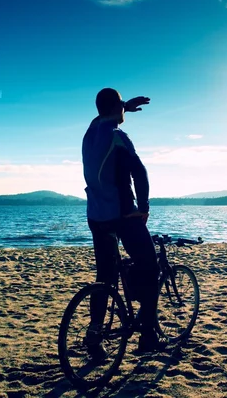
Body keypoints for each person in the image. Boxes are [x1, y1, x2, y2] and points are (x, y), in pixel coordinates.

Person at [82, 87, 165, 356]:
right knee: (150, 266)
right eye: (120, 105)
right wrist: (144, 208)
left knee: (104, 277)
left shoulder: (90, 133)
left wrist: (123, 107)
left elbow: (103, 116)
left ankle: (95, 335)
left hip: (96, 216)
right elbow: (140, 173)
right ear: (115, 108)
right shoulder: (119, 138)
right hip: (122, 214)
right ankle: (148, 336)